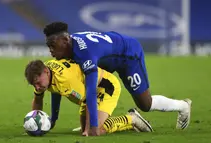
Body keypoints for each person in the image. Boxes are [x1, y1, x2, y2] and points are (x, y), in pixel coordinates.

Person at [42, 22, 192, 136]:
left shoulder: (85, 53)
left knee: (146, 104)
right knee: (89, 89)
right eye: (49, 47)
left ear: (65, 40)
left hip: (128, 56)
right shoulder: (69, 48)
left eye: (53, 46)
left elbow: (91, 91)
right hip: (108, 57)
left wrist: (94, 126)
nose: (51, 51)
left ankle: (182, 106)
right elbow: (57, 84)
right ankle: (97, 121)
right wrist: (54, 118)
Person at [24, 59, 153, 135]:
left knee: (96, 130)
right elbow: (47, 95)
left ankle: (131, 119)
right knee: (86, 129)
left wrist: (89, 128)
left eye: (38, 82)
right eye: (33, 84)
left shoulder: (65, 81)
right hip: (88, 92)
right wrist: (53, 119)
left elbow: (88, 100)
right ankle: (96, 123)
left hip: (105, 87)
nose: (37, 87)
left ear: (46, 72)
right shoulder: (46, 73)